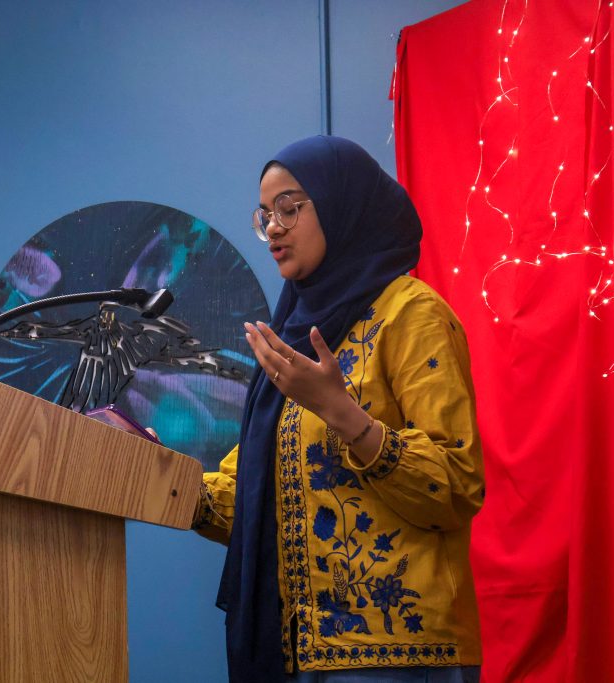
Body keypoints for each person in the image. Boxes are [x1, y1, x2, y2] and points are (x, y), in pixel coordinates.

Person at [193, 136, 484, 682]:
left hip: (397, 657)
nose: (274, 228)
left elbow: (456, 484)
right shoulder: (295, 338)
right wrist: (143, 464)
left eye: (290, 207)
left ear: (343, 206)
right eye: (265, 215)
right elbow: (254, 500)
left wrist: (341, 412)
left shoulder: (411, 314)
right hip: (295, 653)